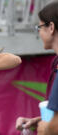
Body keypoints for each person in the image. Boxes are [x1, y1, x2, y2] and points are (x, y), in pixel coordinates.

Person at [16, 1, 58, 135]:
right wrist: (41, 122)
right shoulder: (55, 62)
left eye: (39, 27)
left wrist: (50, 128)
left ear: (51, 27)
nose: (38, 33)